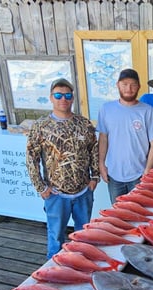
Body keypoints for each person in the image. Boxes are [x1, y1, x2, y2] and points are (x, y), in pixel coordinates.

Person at [26, 78, 99, 260]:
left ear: (72, 98)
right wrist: (40, 187)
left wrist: (95, 176)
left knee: (83, 236)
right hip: (56, 194)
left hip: (83, 191)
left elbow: (94, 150)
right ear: (51, 98)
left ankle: (82, 265)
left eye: (67, 95)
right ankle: (53, 271)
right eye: (58, 95)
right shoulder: (40, 127)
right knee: (55, 236)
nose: (63, 99)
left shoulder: (84, 124)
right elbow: (31, 158)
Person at [97, 68, 153, 203]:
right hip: (114, 175)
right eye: (124, 84)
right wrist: (101, 164)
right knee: (117, 216)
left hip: (138, 175)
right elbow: (103, 138)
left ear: (139, 87)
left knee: (138, 214)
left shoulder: (147, 111)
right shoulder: (106, 109)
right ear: (117, 85)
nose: (129, 88)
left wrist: (147, 170)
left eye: (133, 84)